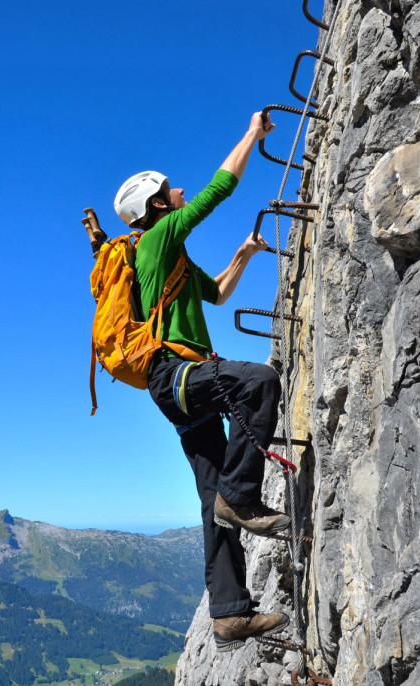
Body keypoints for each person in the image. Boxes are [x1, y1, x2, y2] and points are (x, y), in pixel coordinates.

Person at [112, 112, 290, 652]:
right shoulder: (156, 239)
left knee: (212, 498)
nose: (179, 190)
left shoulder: (171, 260)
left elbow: (216, 294)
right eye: (170, 189)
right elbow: (217, 190)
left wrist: (243, 254)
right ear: (157, 207)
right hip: (178, 375)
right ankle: (241, 496)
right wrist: (251, 135)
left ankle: (229, 614)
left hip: (176, 388)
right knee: (258, 381)